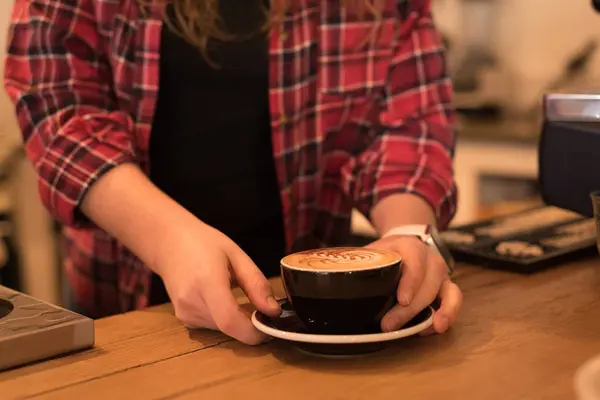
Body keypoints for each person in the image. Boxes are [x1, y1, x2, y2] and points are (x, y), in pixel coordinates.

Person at [3, 0, 462, 345]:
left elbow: (408, 121)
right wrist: (168, 239)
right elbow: (59, 104)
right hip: (124, 311)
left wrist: (408, 231)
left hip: (318, 320)